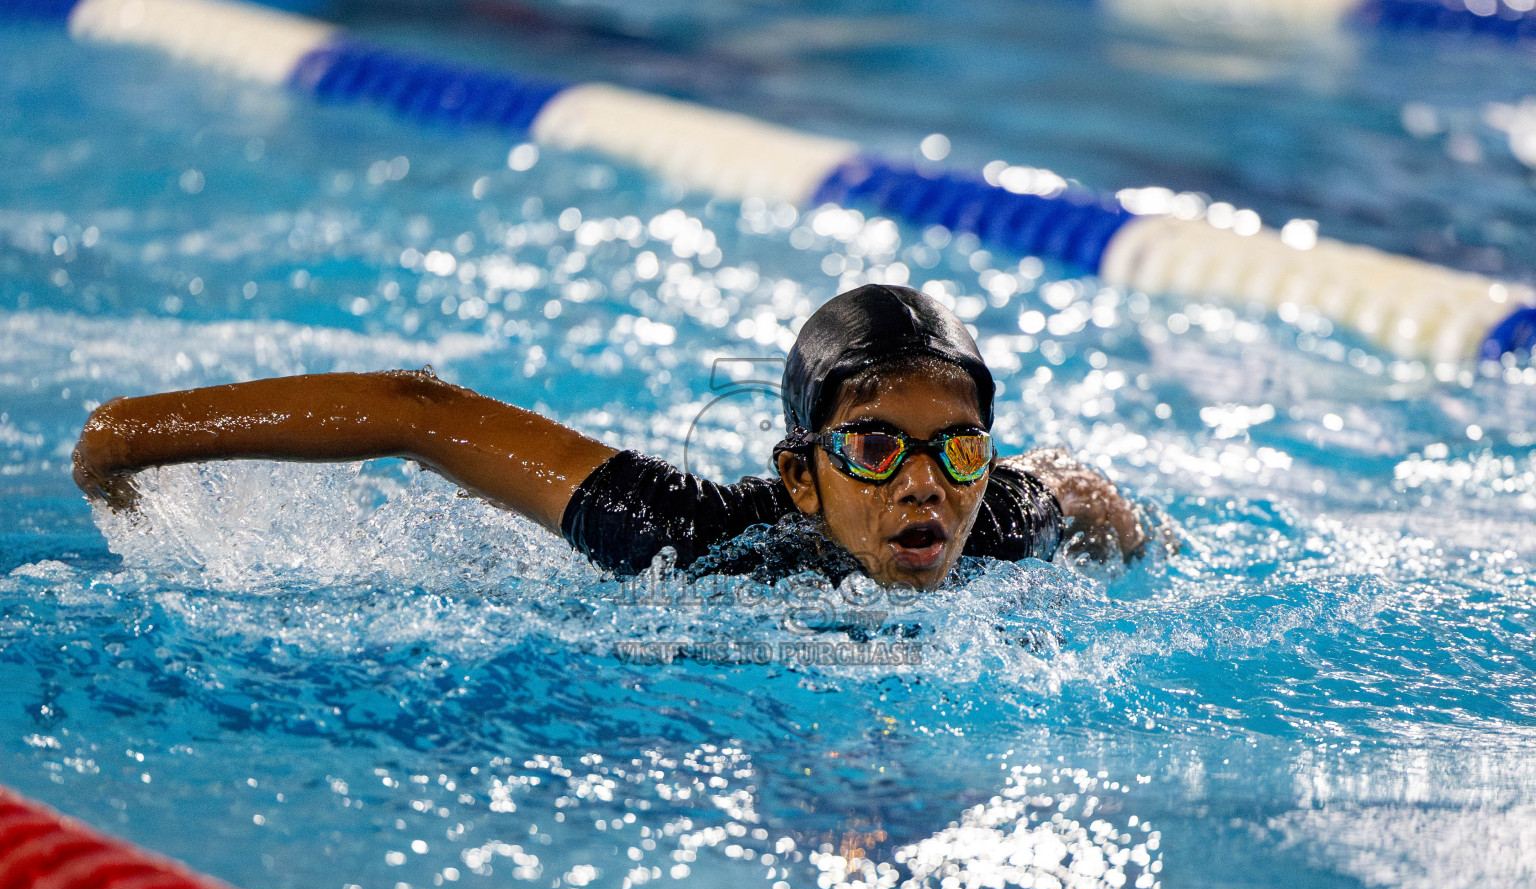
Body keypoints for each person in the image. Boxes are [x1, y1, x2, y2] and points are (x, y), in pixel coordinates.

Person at [72, 284, 1147, 590]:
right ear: (802, 478)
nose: (928, 489)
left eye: (956, 447)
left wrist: (1157, 553)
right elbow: (416, 411)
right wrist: (127, 434)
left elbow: (1082, 489)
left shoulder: (997, 513)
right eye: (872, 447)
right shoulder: (684, 534)